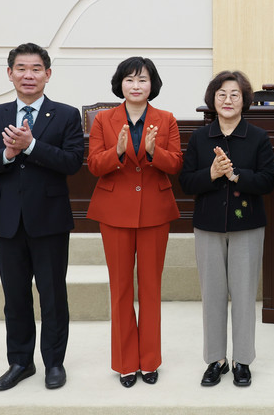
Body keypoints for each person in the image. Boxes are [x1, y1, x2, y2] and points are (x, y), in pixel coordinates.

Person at [0, 43, 84, 391]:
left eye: (35, 69)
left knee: (52, 295)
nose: (28, 75)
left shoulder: (65, 115)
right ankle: (20, 362)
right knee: (15, 297)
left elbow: (72, 162)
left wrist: (31, 146)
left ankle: (54, 362)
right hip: (7, 220)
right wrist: (6, 153)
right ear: (9, 74)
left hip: (50, 219)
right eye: (21, 68)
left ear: (48, 74)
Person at [85, 56, 183, 387]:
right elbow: (94, 165)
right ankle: (126, 363)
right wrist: (118, 151)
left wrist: (154, 152)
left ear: (152, 85)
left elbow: (176, 164)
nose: (136, 85)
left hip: (155, 212)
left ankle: (150, 361)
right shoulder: (103, 120)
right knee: (121, 289)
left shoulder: (166, 119)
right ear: (120, 84)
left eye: (142, 79)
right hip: (114, 213)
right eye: (129, 79)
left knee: (151, 288)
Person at [179, 70, 274, 388]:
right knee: (212, 296)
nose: (228, 100)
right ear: (213, 99)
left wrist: (235, 176)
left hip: (247, 226)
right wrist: (211, 173)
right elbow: (185, 182)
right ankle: (216, 359)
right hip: (208, 226)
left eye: (235, 94)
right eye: (221, 94)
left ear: (244, 100)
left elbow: (267, 182)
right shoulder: (199, 137)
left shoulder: (258, 137)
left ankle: (242, 360)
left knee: (245, 295)